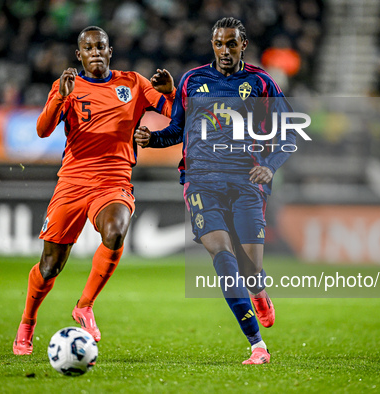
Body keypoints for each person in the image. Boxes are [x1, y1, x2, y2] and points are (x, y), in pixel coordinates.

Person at [135, 17, 297, 365]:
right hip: (201, 181)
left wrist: (268, 165)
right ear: (213, 45)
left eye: (232, 44)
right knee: (224, 259)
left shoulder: (261, 84)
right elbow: (177, 129)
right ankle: (257, 345)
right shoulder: (192, 81)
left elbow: (289, 133)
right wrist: (153, 138)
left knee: (249, 269)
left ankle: (257, 289)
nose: (225, 50)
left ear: (244, 45)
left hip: (246, 181)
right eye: (219, 44)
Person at [13, 26, 176, 355]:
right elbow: (43, 131)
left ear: (109, 50)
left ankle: (84, 305)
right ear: (80, 55)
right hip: (72, 182)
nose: (96, 52)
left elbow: (175, 115)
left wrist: (171, 94)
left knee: (115, 233)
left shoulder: (133, 84)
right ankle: (28, 322)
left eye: (101, 46)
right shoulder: (67, 88)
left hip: (114, 179)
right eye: (88, 48)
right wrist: (60, 94)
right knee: (49, 267)